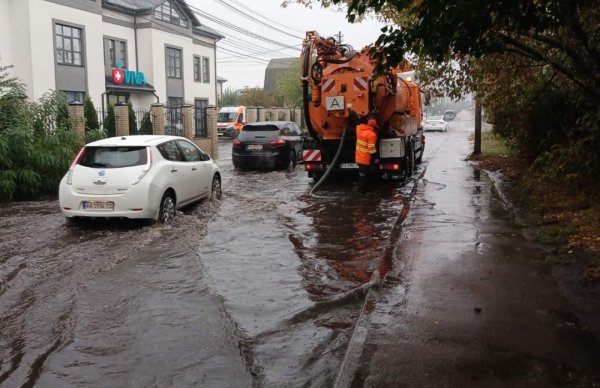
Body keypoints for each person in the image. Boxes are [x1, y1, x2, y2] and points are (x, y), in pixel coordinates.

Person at [355, 117, 379, 193]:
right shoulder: (371, 135)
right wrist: (376, 157)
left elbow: (358, 125)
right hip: (366, 158)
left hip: (359, 156)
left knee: (362, 174)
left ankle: (364, 189)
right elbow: (371, 149)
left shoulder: (359, 129)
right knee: (365, 175)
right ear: (374, 127)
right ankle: (362, 190)